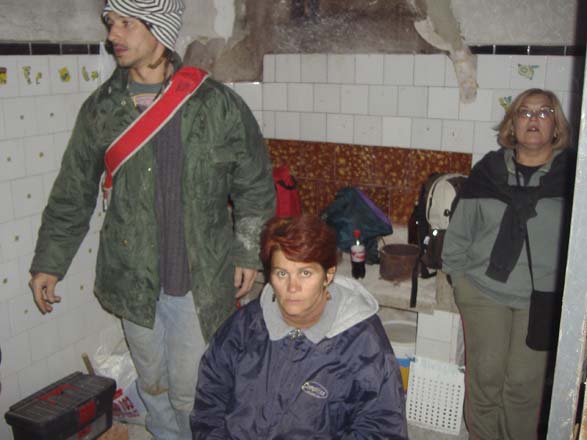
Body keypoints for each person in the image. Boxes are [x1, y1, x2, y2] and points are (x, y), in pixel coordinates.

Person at [28, 1, 276, 438]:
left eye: (126, 24)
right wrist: (50, 262)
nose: (113, 35)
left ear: (159, 30)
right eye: (111, 23)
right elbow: (73, 193)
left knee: (192, 391)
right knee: (153, 385)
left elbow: (254, 184)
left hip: (198, 280)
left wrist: (247, 252)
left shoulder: (216, 104)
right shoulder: (102, 110)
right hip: (131, 278)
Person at [191, 215, 408, 439]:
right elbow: (209, 403)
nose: (292, 287)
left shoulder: (363, 343)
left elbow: (382, 430)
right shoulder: (245, 326)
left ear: (328, 275)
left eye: (305, 273)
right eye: (282, 273)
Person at [442, 88, 575, 440]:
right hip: (484, 293)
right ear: (512, 124)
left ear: (556, 125)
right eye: (524, 112)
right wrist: (460, 282)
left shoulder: (574, 178)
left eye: (544, 112)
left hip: (542, 301)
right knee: (485, 380)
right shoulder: (488, 172)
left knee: (523, 388)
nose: (533, 119)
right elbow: (459, 234)